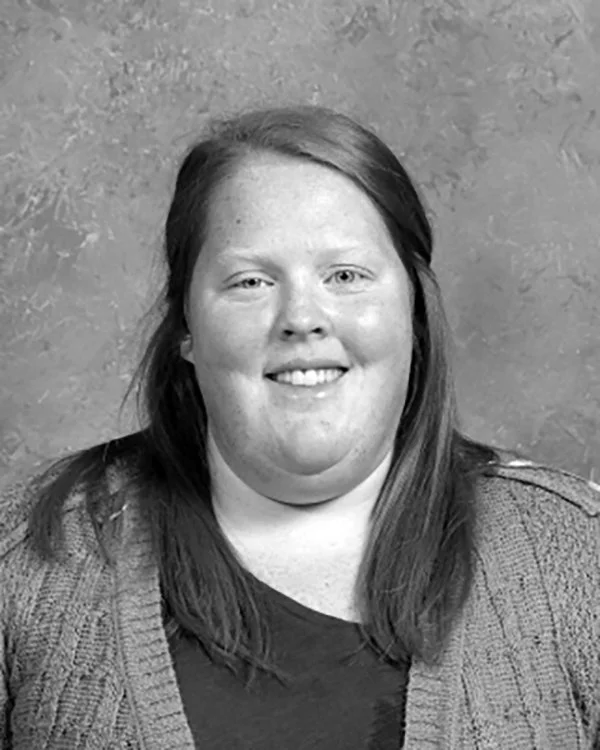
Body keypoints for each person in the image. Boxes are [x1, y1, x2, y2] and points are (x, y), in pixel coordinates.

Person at [1, 105, 598, 750]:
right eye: (251, 281)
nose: (302, 318)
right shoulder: (23, 562)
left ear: (414, 314)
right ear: (186, 328)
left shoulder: (575, 554)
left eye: (345, 276)